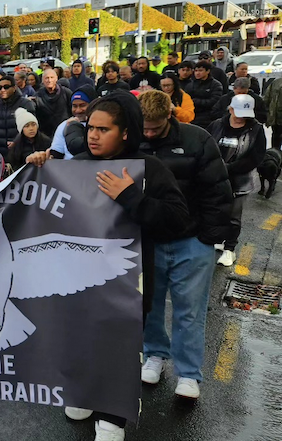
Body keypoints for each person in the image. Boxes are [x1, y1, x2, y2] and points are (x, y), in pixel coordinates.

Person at [63, 92, 191, 441]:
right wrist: (38, 167)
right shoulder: (72, 165)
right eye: (90, 127)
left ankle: (112, 417)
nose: (92, 135)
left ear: (125, 132)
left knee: (117, 350)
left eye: (103, 129)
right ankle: (83, 394)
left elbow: (177, 220)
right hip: (79, 281)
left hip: (128, 284)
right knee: (80, 341)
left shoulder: (149, 170)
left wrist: (131, 196)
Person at [137, 90, 232, 401]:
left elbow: (217, 189)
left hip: (192, 240)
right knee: (148, 306)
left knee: (189, 311)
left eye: (154, 127)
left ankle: (188, 373)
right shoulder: (133, 140)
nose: (148, 133)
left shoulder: (197, 139)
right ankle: (154, 355)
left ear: (170, 116)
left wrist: (210, 237)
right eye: (144, 127)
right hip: (149, 239)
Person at [208, 94, 266, 266]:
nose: (241, 118)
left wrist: (229, 168)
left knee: (234, 216)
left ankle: (230, 249)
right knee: (215, 212)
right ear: (230, 109)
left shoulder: (256, 129)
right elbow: (207, 147)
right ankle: (218, 239)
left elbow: (256, 157)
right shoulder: (217, 125)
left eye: (245, 114)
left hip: (239, 180)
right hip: (215, 178)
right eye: (237, 112)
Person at [0, 75, 36, 157]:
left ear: (14, 88)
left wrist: (17, 142)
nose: (2, 90)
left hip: (23, 153)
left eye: (6, 87)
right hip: (0, 153)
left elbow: (31, 129)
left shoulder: (26, 104)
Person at [50, 85, 98, 160]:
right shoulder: (64, 125)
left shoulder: (100, 124)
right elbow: (56, 155)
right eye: (74, 106)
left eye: (82, 105)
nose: (78, 110)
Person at [33, 69, 72, 138]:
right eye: (46, 78)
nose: (49, 80)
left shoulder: (66, 93)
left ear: (56, 79)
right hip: (45, 134)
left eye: (52, 77)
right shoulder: (38, 95)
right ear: (43, 80)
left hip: (65, 131)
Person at [185, 60, 224, 128]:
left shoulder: (215, 85)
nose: (197, 73)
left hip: (208, 118)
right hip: (192, 116)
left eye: (200, 70)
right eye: (196, 71)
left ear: (208, 71)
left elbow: (214, 101)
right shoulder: (190, 85)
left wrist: (195, 101)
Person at [263, 76, 282, 148]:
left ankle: (275, 155)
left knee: (276, 137)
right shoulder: (276, 82)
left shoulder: (276, 82)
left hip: (275, 117)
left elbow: (266, 99)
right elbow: (267, 99)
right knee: (276, 137)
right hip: (276, 118)